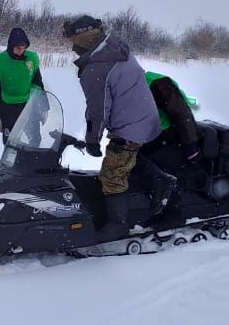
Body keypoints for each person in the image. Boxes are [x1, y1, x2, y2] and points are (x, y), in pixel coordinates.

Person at [63, 15, 175, 232]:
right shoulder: (115, 49)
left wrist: (92, 140)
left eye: (74, 41)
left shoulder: (97, 67)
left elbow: (98, 110)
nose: (73, 47)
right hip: (144, 118)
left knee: (111, 175)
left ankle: (117, 225)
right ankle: (156, 183)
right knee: (126, 163)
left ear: (85, 38)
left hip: (130, 126)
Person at [0, 28, 44, 142]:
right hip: (8, 107)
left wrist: (44, 107)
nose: (21, 51)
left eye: (24, 48)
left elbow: (38, 83)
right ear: (11, 46)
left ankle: (32, 159)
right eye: (18, 48)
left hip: (28, 105)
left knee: (35, 139)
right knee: (11, 142)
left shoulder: (31, 59)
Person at [140, 71, 202, 170]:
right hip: (146, 140)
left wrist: (191, 147)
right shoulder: (128, 86)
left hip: (166, 138)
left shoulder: (155, 82)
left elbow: (181, 113)